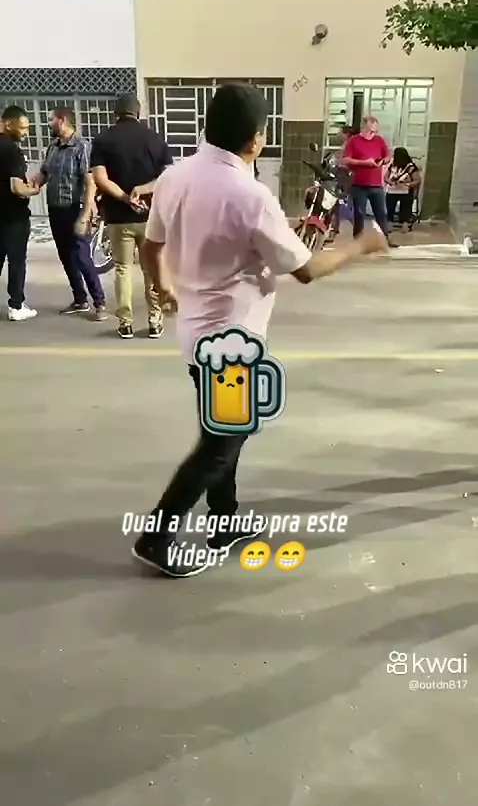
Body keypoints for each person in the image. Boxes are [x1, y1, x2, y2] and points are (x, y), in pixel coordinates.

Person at [132, 82, 387, 578]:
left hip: (197, 336)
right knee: (221, 444)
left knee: (223, 430)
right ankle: (156, 537)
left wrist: (162, 285)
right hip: (232, 344)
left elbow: (151, 244)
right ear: (255, 140)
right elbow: (306, 269)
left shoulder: (175, 177)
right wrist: (362, 245)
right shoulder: (251, 196)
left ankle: (224, 521)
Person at [90, 93, 174, 339]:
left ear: (116, 113)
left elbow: (100, 179)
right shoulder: (154, 138)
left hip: (118, 217)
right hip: (150, 217)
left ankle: (125, 323)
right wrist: (143, 189)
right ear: (138, 112)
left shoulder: (103, 140)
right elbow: (168, 178)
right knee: (151, 269)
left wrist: (125, 198)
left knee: (122, 269)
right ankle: (155, 321)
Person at [34, 107, 107, 320]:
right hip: (56, 210)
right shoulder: (53, 147)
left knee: (82, 256)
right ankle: (80, 299)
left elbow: (90, 181)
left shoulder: (82, 146)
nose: (47, 123)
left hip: (75, 209)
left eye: (50, 119)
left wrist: (86, 213)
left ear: (62, 120)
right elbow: (44, 173)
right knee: (65, 256)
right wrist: (28, 186)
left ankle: (99, 302)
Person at [0, 105, 40, 321]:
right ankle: (16, 305)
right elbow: (17, 188)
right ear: (8, 123)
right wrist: (34, 189)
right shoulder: (11, 150)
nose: (26, 133)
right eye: (22, 128)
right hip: (13, 217)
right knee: (16, 261)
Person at [343, 116, 398, 249]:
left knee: (381, 213)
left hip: (376, 184)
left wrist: (384, 161)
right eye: (370, 130)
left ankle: (385, 239)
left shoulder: (379, 140)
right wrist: (364, 163)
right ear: (363, 127)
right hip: (358, 184)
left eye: (374, 130)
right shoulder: (353, 141)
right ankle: (358, 240)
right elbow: (346, 160)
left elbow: (388, 155)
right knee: (359, 214)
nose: (372, 133)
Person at [385, 147, 421, 232]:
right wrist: (390, 182)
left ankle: (405, 224)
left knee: (406, 208)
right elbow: (386, 177)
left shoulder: (411, 167)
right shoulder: (392, 165)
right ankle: (389, 224)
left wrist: (408, 184)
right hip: (392, 190)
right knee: (389, 207)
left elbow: (417, 180)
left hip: (406, 191)